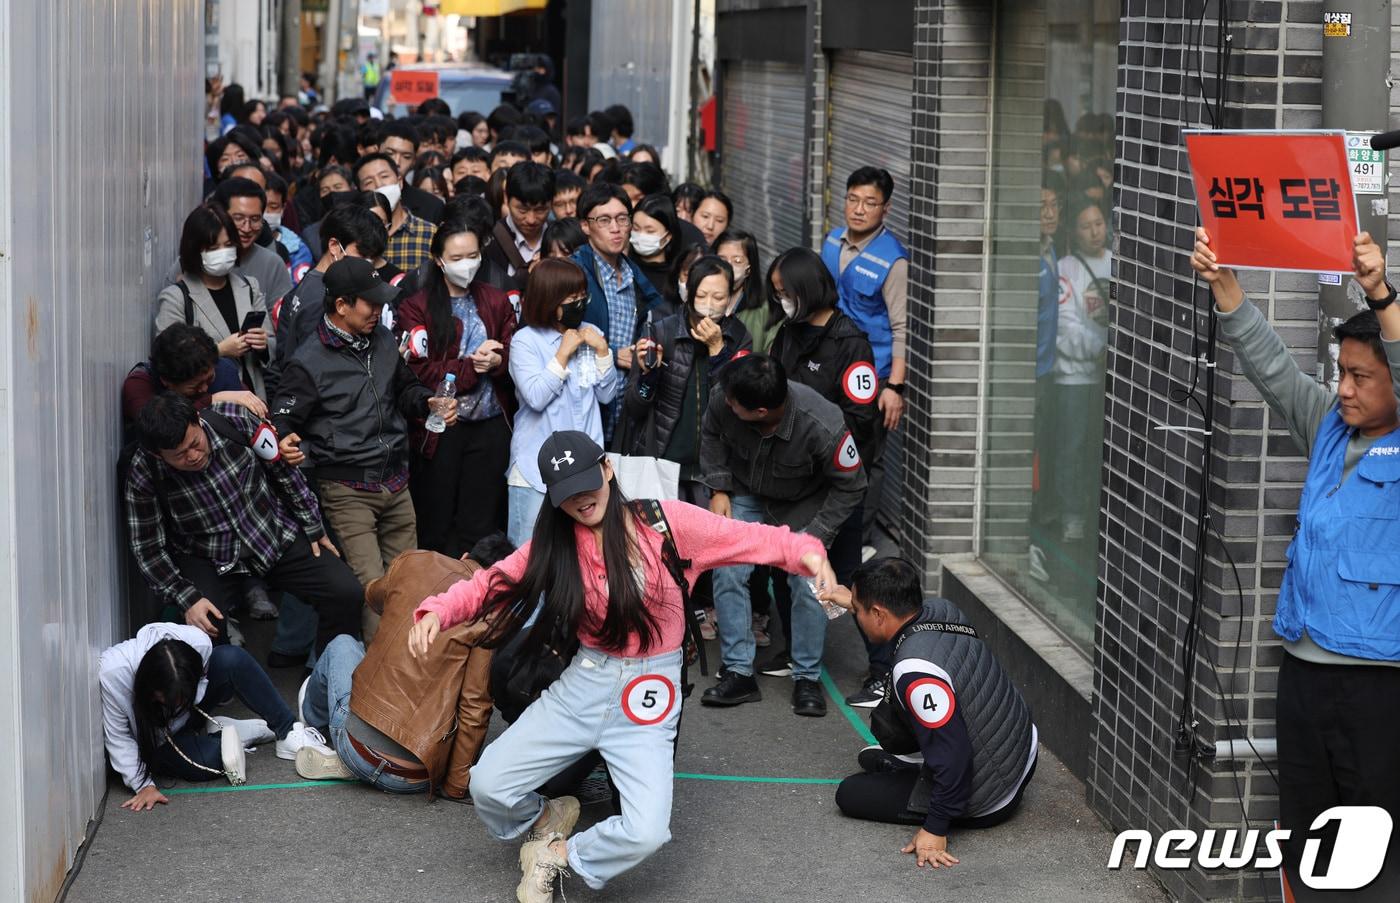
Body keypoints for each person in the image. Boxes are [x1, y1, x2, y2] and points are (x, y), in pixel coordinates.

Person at [407, 429, 837, 900]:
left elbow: (749, 539)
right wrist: (437, 610)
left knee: (647, 830)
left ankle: (558, 857)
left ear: (608, 469)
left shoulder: (665, 523)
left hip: (650, 691)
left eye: (587, 482)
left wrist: (809, 555)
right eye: (567, 494)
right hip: (585, 682)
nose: (581, 499)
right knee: (488, 785)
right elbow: (493, 581)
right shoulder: (556, 545)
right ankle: (542, 823)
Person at [1191, 228, 1400, 900]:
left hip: (1379, 686)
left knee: (1376, 842)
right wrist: (1226, 286)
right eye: (1341, 371)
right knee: (1308, 836)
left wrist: (1380, 290)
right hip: (1306, 673)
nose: (1343, 387)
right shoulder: (1328, 425)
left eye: (1362, 376)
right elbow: (1273, 367)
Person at [270, 258, 449, 642]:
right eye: (371, 304)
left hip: (397, 483)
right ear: (341, 306)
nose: (380, 311)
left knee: (410, 586)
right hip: (347, 492)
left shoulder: (382, 340)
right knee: (372, 593)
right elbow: (281, 418)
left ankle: (403, 672)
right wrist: (285, 438)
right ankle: (372, 686)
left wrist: (427, 402)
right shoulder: (307, 362)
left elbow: (405, 388)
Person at [823, 558, 1037, 869]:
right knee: (875, 757)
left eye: (859, 609)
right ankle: (914, 766)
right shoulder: (942, 611)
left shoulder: (917, 673)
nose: (856, 614)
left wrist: (935, 828)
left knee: (852, 793)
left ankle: (920, 779)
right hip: (1021, 749)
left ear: (879, 613)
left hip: (993, 796)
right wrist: (856, 601)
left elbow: (956, 756)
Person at [123, 392, 363, 652]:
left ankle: (325, 676)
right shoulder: (143, 472)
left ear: (198, 420)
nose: (192, 456)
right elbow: (148, 549)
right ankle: (226, 687)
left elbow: (284, 471)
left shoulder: (234, 419)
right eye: (179, 455)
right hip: (207, 555)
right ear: (159, 455)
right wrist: (186, 598)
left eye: (195, 443)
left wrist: (313, 525)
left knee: (345, 593)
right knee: (204, 632)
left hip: (268, 533)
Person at [700, 355, 867, 717]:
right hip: (744, 492)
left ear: (761, 411)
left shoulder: (823, 424)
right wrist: (718, 487)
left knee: (808, 584)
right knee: (728, 571)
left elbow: (852, 486)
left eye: (733, 403)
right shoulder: (727, 394)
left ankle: (806, 676)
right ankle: (738, 672)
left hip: (804, 502)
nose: (725, 402)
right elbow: (711, 431)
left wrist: (817, 537)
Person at [294, 536, 514, 795]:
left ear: (464, 556)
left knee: (343, 643)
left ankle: (312, 729)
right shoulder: (493, 614)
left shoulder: (415, 561)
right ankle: (364, 765)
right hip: (417, 775)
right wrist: (455, 785)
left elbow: (372, 596)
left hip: (358, 749)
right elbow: (475, 706)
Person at [767, 247, 884, 703]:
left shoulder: (850, 342)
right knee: (785, 568)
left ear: (808, 288)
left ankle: (882, 669)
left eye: (786, 292)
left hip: (835, 480)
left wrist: (828, 459)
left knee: (847, 576)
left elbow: (861, 417)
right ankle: (795, 651)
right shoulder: (788, 332)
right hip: (789, 480)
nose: (781, 301)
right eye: (775, 294)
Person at [100, 623, 331, 812]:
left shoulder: (196, 641)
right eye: (169, 698)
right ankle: (225, 733)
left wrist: (186, 701)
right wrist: (143, 785)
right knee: (214, 758)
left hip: (191, 713)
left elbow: (204, 681)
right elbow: (118, 736)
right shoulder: (115, 671)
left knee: (232, 658)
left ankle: (287, 731)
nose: (177, 703)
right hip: (157, 739)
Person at [397, 217, 517, 559]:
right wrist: (468, 368)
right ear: (439, 259)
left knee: (480, 524)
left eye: (473, 255)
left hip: (491, 425)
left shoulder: (496, 300)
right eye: (457, 257)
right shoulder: (416, 305)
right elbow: (416, 372)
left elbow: (514, 350)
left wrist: (497, 362)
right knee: (436, 521)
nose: (467, 264)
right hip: (441, 428)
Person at [505, 259, 619, 547]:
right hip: (535, 467)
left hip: (585, 467)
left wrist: (603, 351)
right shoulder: (525, 342)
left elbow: (607, 396)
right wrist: (562, 355)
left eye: (582, 297)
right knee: (528, 557)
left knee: (584, 556)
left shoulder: (591, 333)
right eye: (571, 299)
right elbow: (535, 397)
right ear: (549, 300)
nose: (579, 305)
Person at [571, 183, 666, 444]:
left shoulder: (634, 275)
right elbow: (558, 337)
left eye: (622, 218)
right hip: (586, 401)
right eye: (604, 220)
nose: (616, 228)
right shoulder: (574, 274)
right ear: (585, 226)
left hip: (627, 403)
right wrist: (613, 353)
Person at [821, 167, 910, 433]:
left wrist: (894, 387)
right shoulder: (832, 240)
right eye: (852, 199)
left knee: (865, 459)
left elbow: (902, 329)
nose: (859, 210)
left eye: (870, 203)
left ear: (886, 208)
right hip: (830, 364)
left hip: (871, 375)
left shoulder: (893, 260)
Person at [154, 204, 275, 399]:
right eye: (213, 248)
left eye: (228, 245)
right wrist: (219, 350)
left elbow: (271, 343)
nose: (223, 252)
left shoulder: (250, 287)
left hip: (254, 398)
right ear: (195, 249)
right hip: (209, 403)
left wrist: (263, 344)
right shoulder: (176, 298)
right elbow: (169, 363)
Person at [265, 202, 386, 396]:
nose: (368, 265)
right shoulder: (327, 298)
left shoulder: (304, 286)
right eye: (363, 255)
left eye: (374, 258)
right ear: (334, 247)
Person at [1052, 197, 1110, 543]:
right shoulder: (1066, 269)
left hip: (1105, 378)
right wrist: (1099, 350)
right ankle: (1071, 516)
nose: (1094, 232)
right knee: (1071, 449)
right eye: (1086, 225)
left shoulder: (1117, 263)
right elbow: (1066, 328)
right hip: (1074, 378)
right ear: (1074, 230)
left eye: (1099, 223)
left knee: (1096, 450)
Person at [122, 323, 261, 426]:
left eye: (209, 379)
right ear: (166, 381)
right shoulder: (140, 385)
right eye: (196, 386)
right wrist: (212, 400)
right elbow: (160, 428)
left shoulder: (223, 371)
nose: (204, 389)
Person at [211, 176, 294, 307]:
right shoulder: (193, 261)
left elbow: (282, 319)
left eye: (255, 219)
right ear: (219, 215)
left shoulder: (273, 265)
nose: (247, 228)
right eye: (238, 218)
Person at [354, 153, 434, 273]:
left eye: (384, 176)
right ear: (361, 192)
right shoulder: (354, 237)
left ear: (400, 181)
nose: (379, 184)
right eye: (368, 182)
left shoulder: (430, 233)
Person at [483, 162, 554, 294]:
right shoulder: (488, 241)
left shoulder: (561, 238)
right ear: (506, 198)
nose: (531, 220)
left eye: (540, 210)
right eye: (522, 210)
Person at [714, 229, 780, 353]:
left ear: (749, 268)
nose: (728, 266)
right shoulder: (699, 300)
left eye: (737, 261)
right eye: (722, 259)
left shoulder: (766, 311)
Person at [381, 120, 447, 224]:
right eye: (390, 153)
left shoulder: (431, 207)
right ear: (376, 151)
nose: (397, 162)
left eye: (406, 157)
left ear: (414, 161)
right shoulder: (350, 201)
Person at [627, 194, 685, 303]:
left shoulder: (676, 279)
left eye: (650, 231)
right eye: (636, 228)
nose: (641, 235)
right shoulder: (623, 269)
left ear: (668, 236)